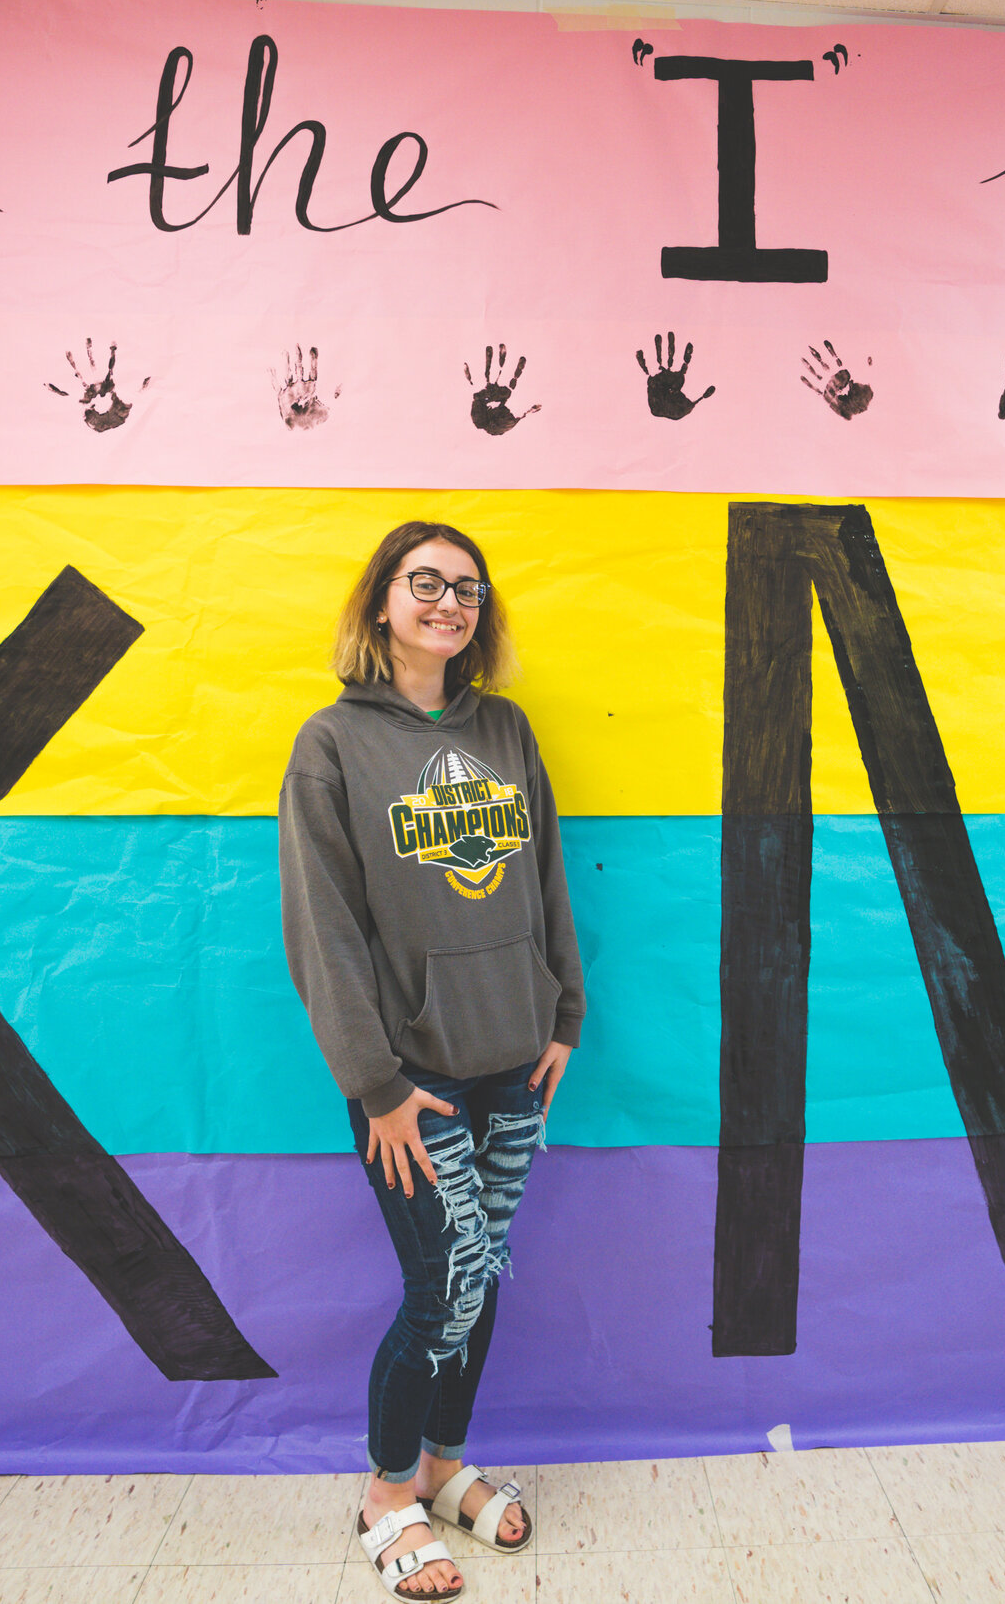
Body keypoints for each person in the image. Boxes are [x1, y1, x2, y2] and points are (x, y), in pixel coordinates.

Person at [279, 521, 585, 1601]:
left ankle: (446, 1466)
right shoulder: (331, 743)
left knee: (481, 1273)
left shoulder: (503, 728)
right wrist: (373, 1082)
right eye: (425, 582)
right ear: (380, 603)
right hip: (412, 1082)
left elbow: (544, 871)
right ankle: (385, 1492)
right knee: (440, 1282)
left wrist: (564, 1012)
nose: (448, 601)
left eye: (466, 586)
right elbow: (323, 927)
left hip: (514, 1060)